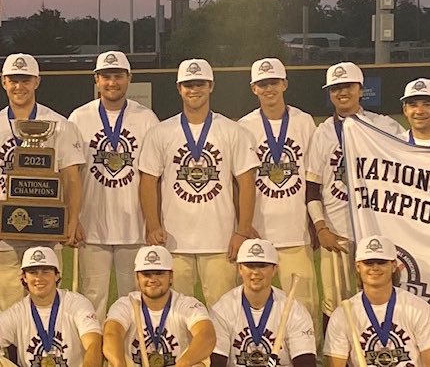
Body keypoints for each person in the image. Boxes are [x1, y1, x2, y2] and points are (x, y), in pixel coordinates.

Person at [138, 58, 259, 306]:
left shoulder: (232, 130)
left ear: (211, 86)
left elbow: (247, 182)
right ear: (179, 88)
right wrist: (153, 225)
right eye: (188, 85)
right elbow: (148, 181)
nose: (194, 90)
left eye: (200, 84)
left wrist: (242, 231)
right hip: (173, 241)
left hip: (221, 241)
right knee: (176, 312)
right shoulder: (161, 132)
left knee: (223, 312)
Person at [0, 53, 87, 312]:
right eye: (14, 80)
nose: (19, 87)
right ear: (4, 82)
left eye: (25, 80)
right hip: (6, 231)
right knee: (7, 308)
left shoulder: (60, 125)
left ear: (37, 81)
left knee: (47, 306)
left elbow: (72, 177)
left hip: (47, 231)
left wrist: (72, 220)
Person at [303, 62, 403, 324]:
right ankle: (335, 350)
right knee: (335, 303)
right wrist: (321, 228)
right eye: (335, 88)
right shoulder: (323, 132)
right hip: (337, 233)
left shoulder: (383, 126)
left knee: (380, 296)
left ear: (360, 89)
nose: (342, 92)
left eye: (347, 86)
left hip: (377, 228)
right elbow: (312, 188)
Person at [67, 51, 160, 317]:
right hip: (91, 227)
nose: (112, 82)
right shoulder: (79, 118)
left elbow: (154, 177)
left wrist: (154, 222)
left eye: (118, 76)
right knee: (90, 301)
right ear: (96, 79)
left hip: (135, 227)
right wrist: (73, 219)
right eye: (106, 77)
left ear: (129, 78)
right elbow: (71, 175)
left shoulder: (146, 118)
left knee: (134, 302)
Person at [235, 58, 319, 318]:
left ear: (284, 84)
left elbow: (314, 176)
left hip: (296, 232)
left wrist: (315, 221)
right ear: (254, 88)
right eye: (262, 84)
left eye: (273, 82)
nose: (268, 89)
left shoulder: (304, 122)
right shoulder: (244, 126)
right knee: (254, 309)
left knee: (304, 307)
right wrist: (243, 225)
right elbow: (238, 182)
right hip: (257, 232)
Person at [323, 236, 430, 367]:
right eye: (368, 262)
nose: (375, 268)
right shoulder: (343, 314)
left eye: (381, 262)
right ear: (358, 266)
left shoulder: (417, 308)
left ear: (393, 266)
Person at [0, 247, 102, 367]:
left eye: (45, 271)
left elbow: (93, 344)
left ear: (57, 275)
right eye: (33, 272)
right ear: (24, 277)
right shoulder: (17, 312)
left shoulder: (77, 304)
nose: (39, 278)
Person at [209, 239, 316, 367]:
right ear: (240, 269)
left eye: (262, 265)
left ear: (274, 269)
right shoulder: (222, 310)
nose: (255, 272)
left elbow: (306, 362)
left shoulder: (295, 311)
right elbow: (216, 362)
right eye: (250, 265)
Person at [102, 246, 215, 367]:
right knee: (113, 362)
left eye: (159, 273)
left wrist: (184, 363)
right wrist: (119, 364)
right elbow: (111, 334)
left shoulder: (187, 304)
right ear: (137, 278)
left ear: (171, 277)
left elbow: (207, 335)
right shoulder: (125, 304)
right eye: (146, 274)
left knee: (199, 364)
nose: (153, 280)